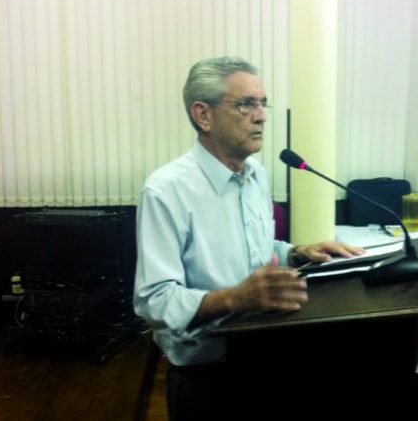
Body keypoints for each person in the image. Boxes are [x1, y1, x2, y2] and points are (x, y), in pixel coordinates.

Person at [133, 56, 363, 419]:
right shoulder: (166, 191)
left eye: (262, 102)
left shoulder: (255, 174)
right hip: (207, 378)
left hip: (268, 356)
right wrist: (236, 298)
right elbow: (155, 302)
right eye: (246, 104)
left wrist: (296, 253)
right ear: (202, 115)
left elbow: (255, 254)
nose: (261, 116)